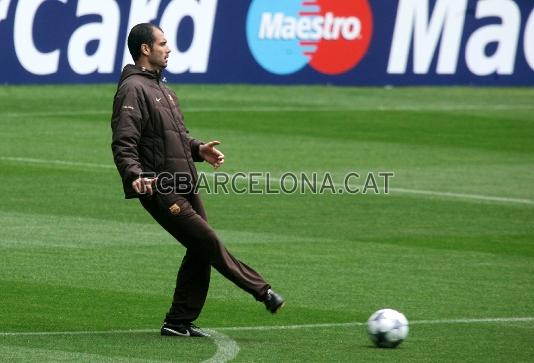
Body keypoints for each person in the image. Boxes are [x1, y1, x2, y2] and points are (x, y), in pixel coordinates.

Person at [111, 23, 284, 337]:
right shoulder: (133, 88)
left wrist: (198, 149)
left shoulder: (164, 89)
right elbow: (124, 141)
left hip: (184, 183)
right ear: (145, 49)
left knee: (200, 249)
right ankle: (263, 291)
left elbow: (175, 137)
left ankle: (178, 322)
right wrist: (134, 175)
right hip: (159, 188)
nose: (169, 48)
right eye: (162, 43)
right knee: (207, 242)